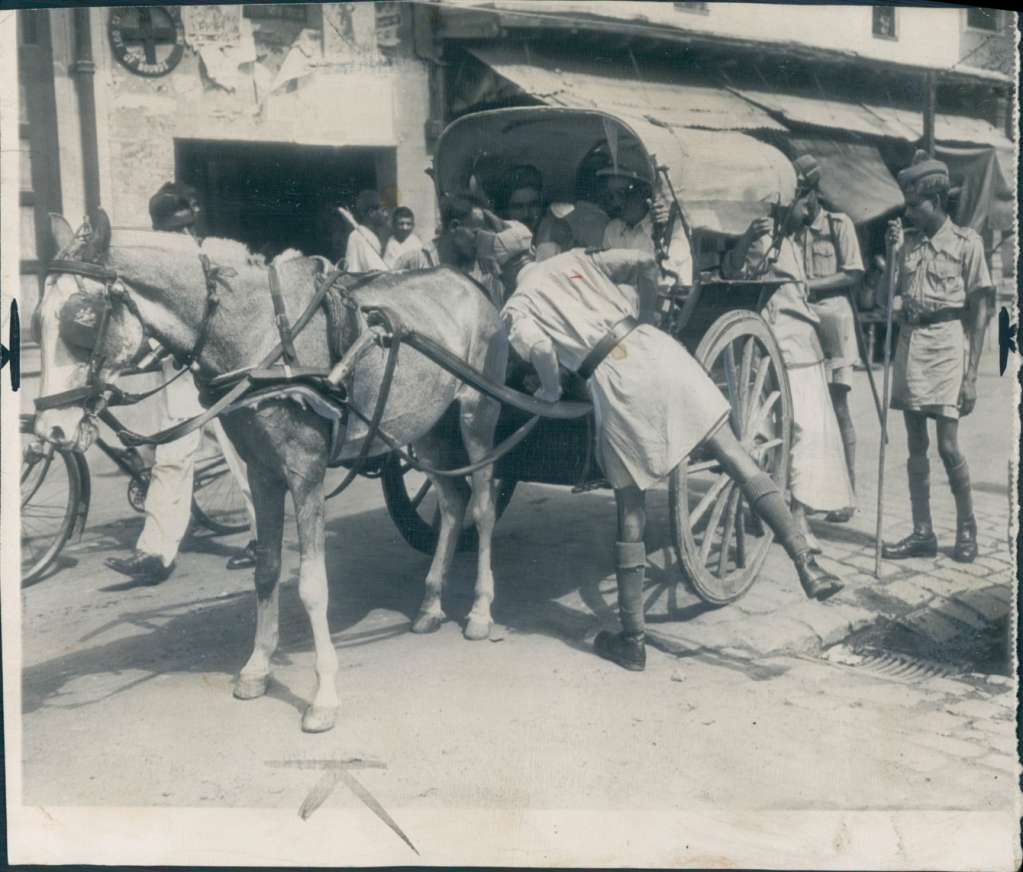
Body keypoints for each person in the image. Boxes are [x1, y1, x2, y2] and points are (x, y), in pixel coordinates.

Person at [464, 220, 843, 672]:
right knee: (736, 456)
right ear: (530, 249)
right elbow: (643, 261)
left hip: (616, 378)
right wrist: (644, 319)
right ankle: (807, 563)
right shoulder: (574, 259)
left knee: (631, 505)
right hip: (656, 348)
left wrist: (547, 392)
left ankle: (633, 640)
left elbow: (542, 350)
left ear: (498, 268)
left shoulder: (518, 304)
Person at [105, 183, 259, 582]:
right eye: (166, 231)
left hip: (224, 372)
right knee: (170, 456)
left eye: (180, 229)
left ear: (192, 225)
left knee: (243, 457)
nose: (174, 238)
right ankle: (155, 554)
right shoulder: (155, 267)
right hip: (178, 373)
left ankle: (263, 537)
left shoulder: (215, 258)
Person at [723, 187, 855, 553]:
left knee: (803, 434)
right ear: (786, 205)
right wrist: (750, 238)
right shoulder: (766, 239)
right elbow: (734, 269)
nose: (810, 207)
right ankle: (785, 515)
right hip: (780, 343)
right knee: (790, 432)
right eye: (803, 201)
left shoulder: (797, 240)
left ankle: (794, 513)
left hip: (801, 342)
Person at [881, 151, 994, 563]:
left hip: (948, 344)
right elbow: (883, 302)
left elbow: (980, 310)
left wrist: (972, 375)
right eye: (907, 204)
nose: (909, 212)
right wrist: (892, 256)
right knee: (915, 445)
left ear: (937, 200)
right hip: (911, 342)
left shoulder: (967, 244)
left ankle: (967, 528)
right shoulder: (907, 243)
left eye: (915, 205)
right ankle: (922, 531)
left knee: (947, 446)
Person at [788, 156, 866, 524]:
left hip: (834, 318)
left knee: (838, 408)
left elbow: (853, 273)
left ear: (815, 193)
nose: (801, 203)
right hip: (803, 323)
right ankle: (816, 491)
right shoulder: (793, 229)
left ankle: (847, 494)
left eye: (803, 194)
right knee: (809, 413)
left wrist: (809, 285)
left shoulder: (839, 225)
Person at [599, 166, 693, 290]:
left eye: (622, 194)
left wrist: (659, 232)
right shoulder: (613, 229)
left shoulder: (672, 228)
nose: (615, 202)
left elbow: (663, 280)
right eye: (610, 196)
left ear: (644, 194)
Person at [340, 189, 390, 272]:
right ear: (371, 213)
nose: (386, 214)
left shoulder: (370, 235)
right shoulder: (359, 237)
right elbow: (377, 272)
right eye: (383, 210)